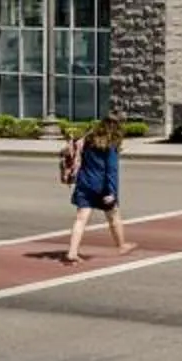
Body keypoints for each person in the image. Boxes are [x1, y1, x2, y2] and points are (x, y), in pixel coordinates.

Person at [62, 112, 134, 263]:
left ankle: (72, 252)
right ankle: (121, 245)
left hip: (84, 183)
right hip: (102, 187)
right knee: (113, 215)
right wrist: (112, 192)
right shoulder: (111, 145)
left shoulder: (88, 139)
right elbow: (111, 171)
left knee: (80, 219)